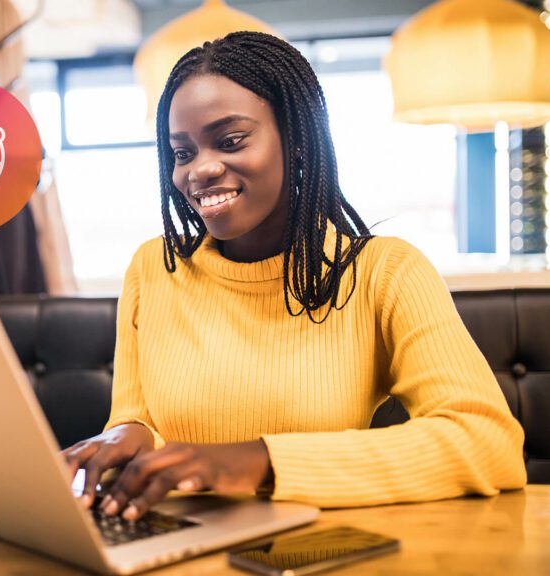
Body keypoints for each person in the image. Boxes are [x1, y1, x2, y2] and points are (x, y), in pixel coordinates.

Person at [62, 32, 525, 522]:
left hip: (316, 547)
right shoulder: (153, 269)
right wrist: (126, 436)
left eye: (230, 141)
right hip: (179, 540)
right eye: (183, 152)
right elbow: (139, 419)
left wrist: (260, 461)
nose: (200, 169)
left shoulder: (384, 273)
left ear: (298, 139)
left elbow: (487, 441)